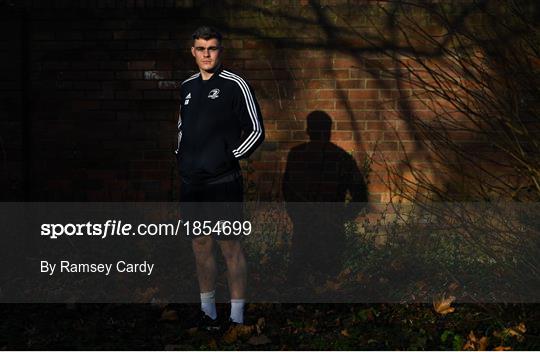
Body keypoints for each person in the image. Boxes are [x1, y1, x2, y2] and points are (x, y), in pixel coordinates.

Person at [174, 26, 264, 331]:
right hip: (192, 185)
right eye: (201, 48)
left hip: (223, 183)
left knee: (230, 247)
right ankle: (208, 313)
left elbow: (256, 130)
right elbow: (182, 129)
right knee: (200, 245)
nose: (206, 54)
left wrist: (228, 157)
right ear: (193, 52)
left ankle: (237, 316)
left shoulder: (235, 84)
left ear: (220, 50)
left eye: (212, 48)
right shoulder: (187, 87)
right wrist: (181, 157)